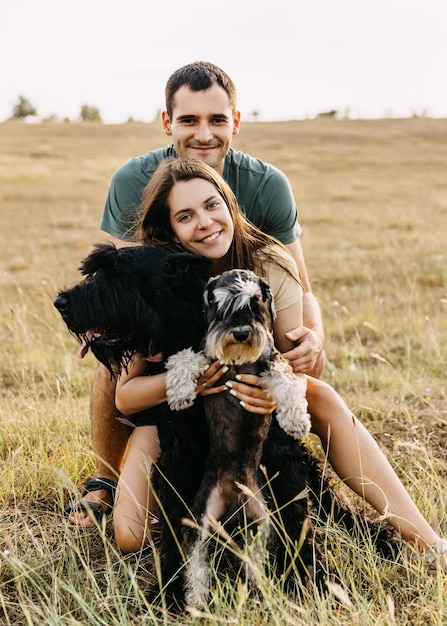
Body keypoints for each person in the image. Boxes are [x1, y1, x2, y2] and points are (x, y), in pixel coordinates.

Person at [111, 157, 446, 573]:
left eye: (212, 205)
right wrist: (190, 382)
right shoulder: (156, 281)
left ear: (229, 203)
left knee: (320, 395)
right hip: (176, 417)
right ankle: (210, 526)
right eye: (185, 216)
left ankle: (428, 542)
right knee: (129, 535)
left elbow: (293, 368)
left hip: (252, 410)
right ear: (170, 230)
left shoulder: (269, 259)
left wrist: (276, 386)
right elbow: (125, 398)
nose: (205, 222)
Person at [67, 61, 325, 527]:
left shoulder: (267, 185)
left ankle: (292, 473)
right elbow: (128, 293)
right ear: (168, 123)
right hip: (171, 324)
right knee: (119, 358)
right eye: (189, 120)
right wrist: (174, 370)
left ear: (236, 122)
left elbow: (300, 288)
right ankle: (105, 481)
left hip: (242, 317)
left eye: (217, 120)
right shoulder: (135, 180)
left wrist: (312, 340)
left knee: (306, 370)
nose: (204, 133)